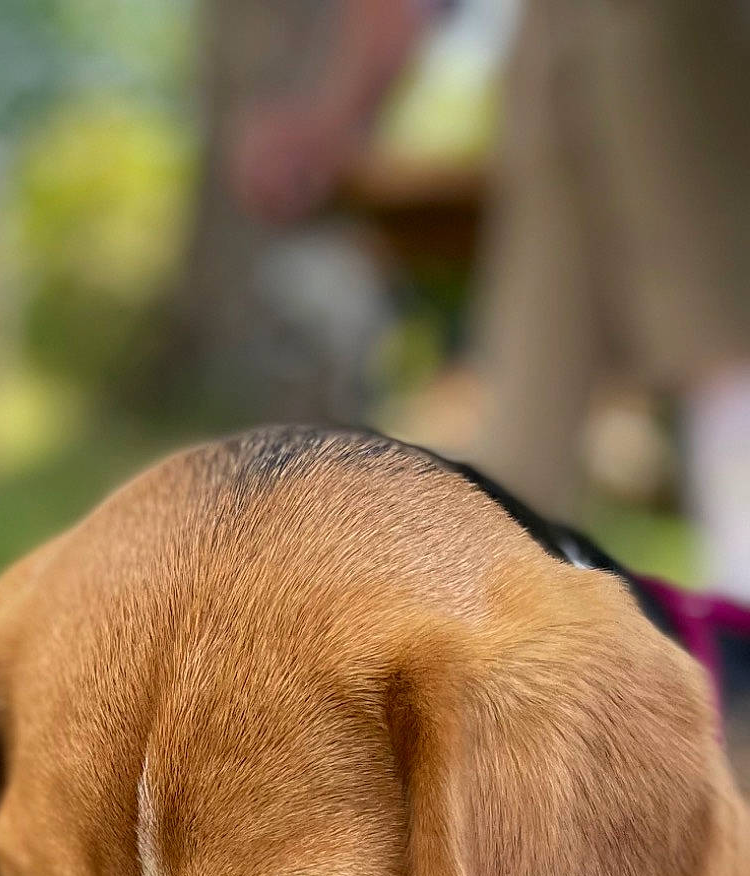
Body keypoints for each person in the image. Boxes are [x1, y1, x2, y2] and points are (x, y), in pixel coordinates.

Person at [231, 0, 750, 600]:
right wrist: (337, 111)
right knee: (528, 403)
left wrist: (335, 111)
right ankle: (469, 637)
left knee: (716, 310)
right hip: (555, 36)